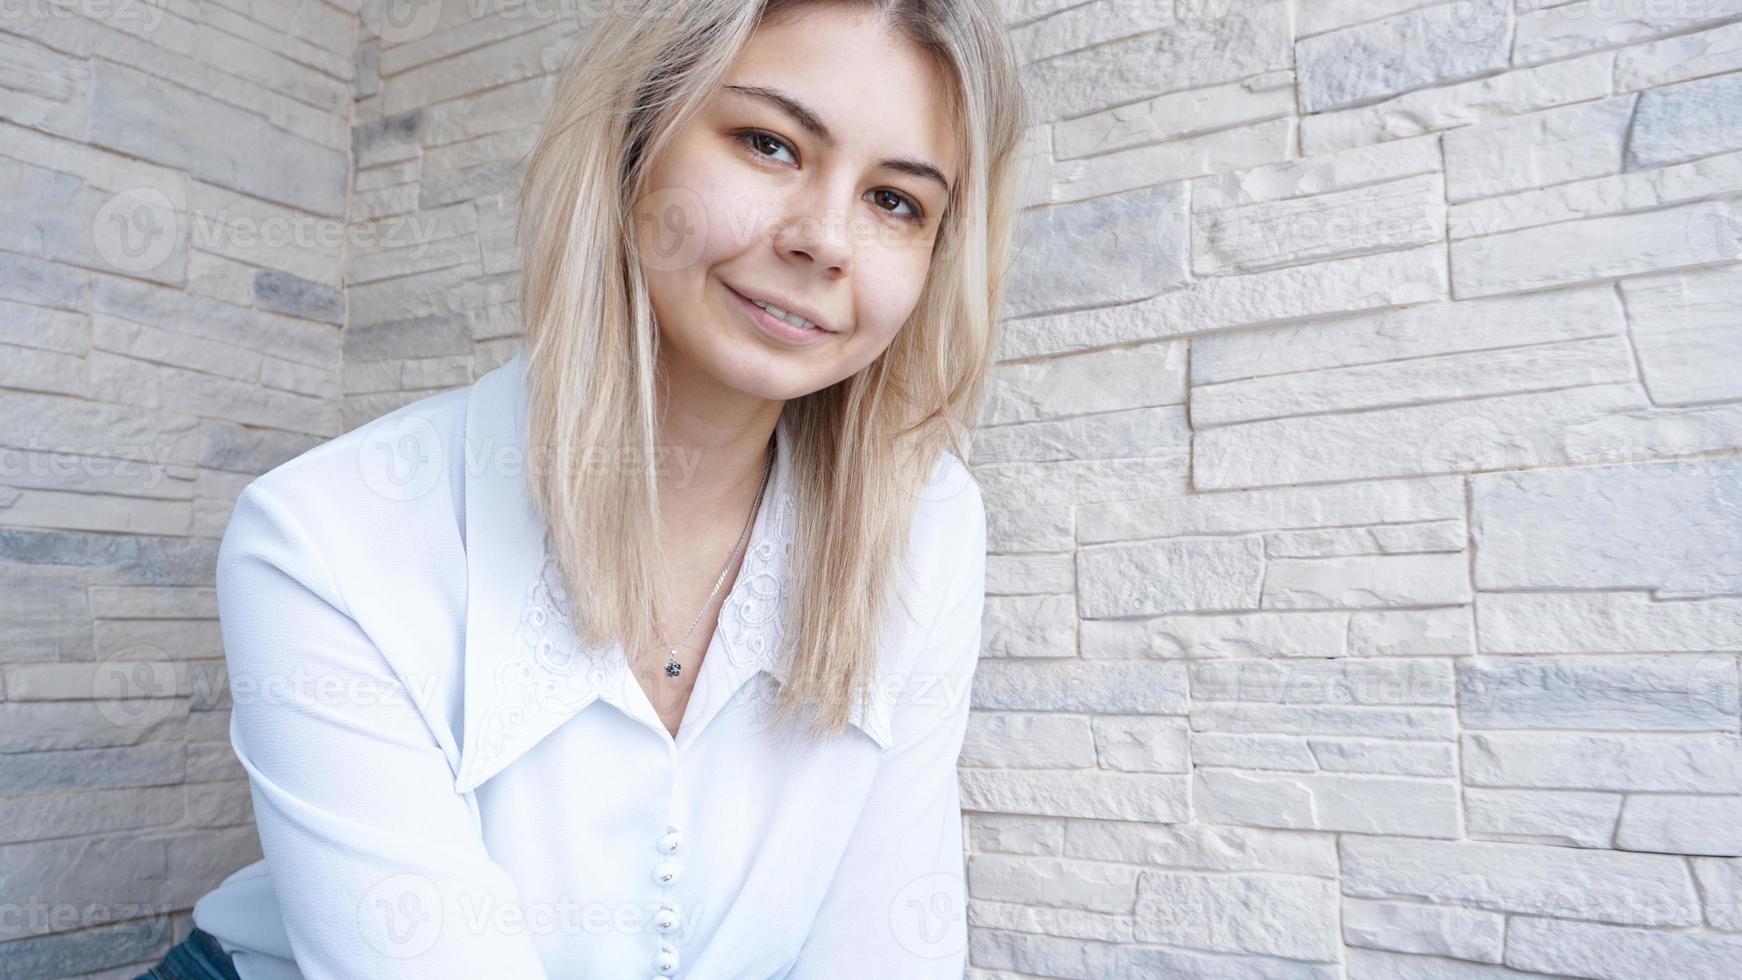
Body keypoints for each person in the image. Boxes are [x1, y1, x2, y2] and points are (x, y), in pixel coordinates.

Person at [138, 0, 1028, 976]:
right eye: (769, 143)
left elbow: (882, 949)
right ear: (633, 144)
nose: (825, 239)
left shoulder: (926, 522)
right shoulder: (322, 533)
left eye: (896, 201)